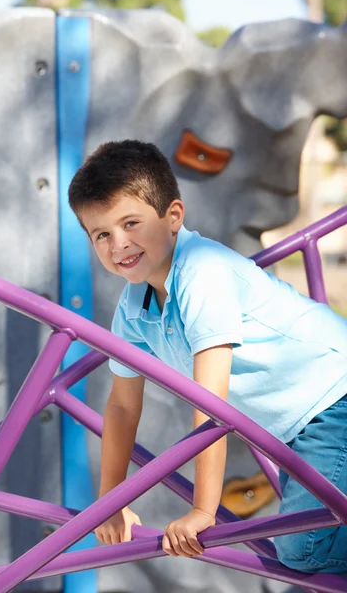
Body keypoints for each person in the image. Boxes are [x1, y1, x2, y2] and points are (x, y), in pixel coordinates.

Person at [68, 139, 347, 574]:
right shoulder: (134, 305)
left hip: (335, 396)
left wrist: (204, 510)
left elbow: (210, 405)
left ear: (173, 216)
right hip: (298, 426)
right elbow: (122, 406)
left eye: (131, 223)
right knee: (312, 544)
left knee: (303, 549)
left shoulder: (202, 272)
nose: (118, 243)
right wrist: (110, 502)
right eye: (101, 234)